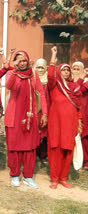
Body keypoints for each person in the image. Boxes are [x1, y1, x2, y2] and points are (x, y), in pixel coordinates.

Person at [4, 50, 48, 189]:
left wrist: (45, 113)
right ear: (15, 62)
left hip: (30, 117)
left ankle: (28, 176)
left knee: (29, 148)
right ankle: (15, 175)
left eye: (24, 60)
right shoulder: (12, 74)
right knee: (14, 147)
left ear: (28, 61)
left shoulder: (33, 75)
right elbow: (9, 86)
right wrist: (15, 70)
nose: (22, 63)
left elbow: (41, 94)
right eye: (19, 61)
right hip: (14, 117)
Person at [47, 47, 85, 188]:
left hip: (70, 123)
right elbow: (50, 76)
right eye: (63, 70)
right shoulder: (54, 85)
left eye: (68, 70)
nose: (66, 72)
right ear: (59, 72)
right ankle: (54, 179)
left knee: (67, 149)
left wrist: (79, 123)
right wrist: (53, 56)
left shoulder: (74, 87)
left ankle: (63, 178)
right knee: (55, 149)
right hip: (56, 123)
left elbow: (78, 107)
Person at [72, 62, 88, 170]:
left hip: (84, 113)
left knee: (84, 138)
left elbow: (79, 90)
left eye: (78, 69)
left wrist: (82, 78)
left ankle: (86, 161)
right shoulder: (69, 81)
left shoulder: (86, 82)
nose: (76, 71)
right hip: (71, 113)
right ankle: (74, 160)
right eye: (74, 69)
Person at [33, 58, 50, 163]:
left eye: (42, 67)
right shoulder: (32, 77)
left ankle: (43, 155)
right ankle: (33, 154)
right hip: (34, 109)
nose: (40, 69)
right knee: (33, 132)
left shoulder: (48, 79)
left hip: (45, 110)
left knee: (44, 133)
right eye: (38, 67)